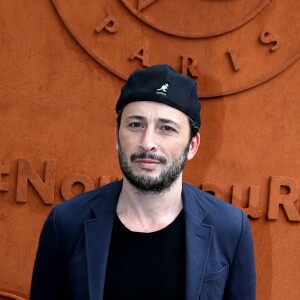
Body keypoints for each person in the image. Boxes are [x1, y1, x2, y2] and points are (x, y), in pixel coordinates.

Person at [30, 64, 256, 300]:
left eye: (166, 128)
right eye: (136, 125)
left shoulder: (230, 228)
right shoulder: (66, 223)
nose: (147, 142)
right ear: (117, 135)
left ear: (192, 145)